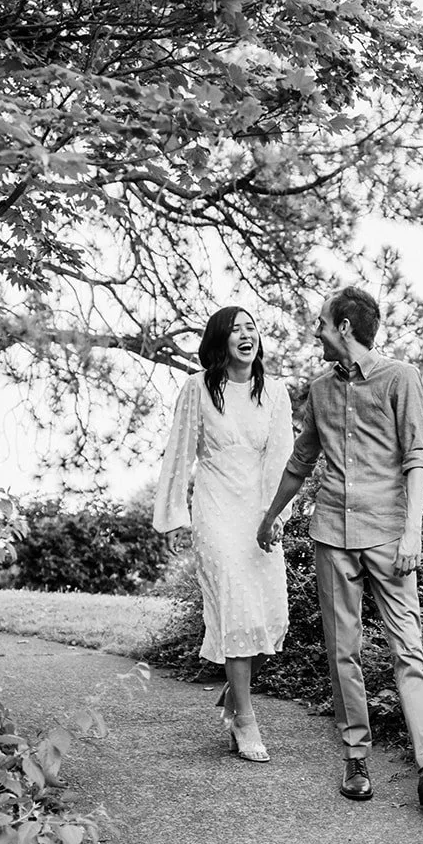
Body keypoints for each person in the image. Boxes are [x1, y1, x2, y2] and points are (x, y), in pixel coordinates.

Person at [256, 285, 423, 806]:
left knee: (408, 648)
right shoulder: (321, 389)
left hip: (389, 535)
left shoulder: (400, 379)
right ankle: (356, 760)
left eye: (323, 325)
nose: (317, 333)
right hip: (332, 534)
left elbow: (415, 459)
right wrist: (268, 518)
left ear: (345, 328)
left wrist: (413, 532)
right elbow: (300, 461)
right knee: (343, 652)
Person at [154, 306, 293, 763]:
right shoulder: (197, 389)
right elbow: (178, 453)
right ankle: (246, 719)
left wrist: (276, 517)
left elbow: (282, 460)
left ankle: (232, 699)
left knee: (267, 614)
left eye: (251, 327)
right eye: (235, 329)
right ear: (221, 341)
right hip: (215, 510)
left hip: (258, 511)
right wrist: (175, 516)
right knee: (237, 612)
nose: (245, 335)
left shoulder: (275, 392)